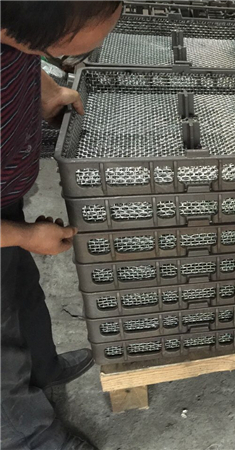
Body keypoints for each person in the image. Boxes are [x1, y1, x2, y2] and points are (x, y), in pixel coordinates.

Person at [1, 3, 122, 448]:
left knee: (21, 294)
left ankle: (43, 369)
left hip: (7, 199)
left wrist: (46, 90)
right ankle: (27, 436)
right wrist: (22, 236)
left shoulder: (14, 29)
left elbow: (21, 53)